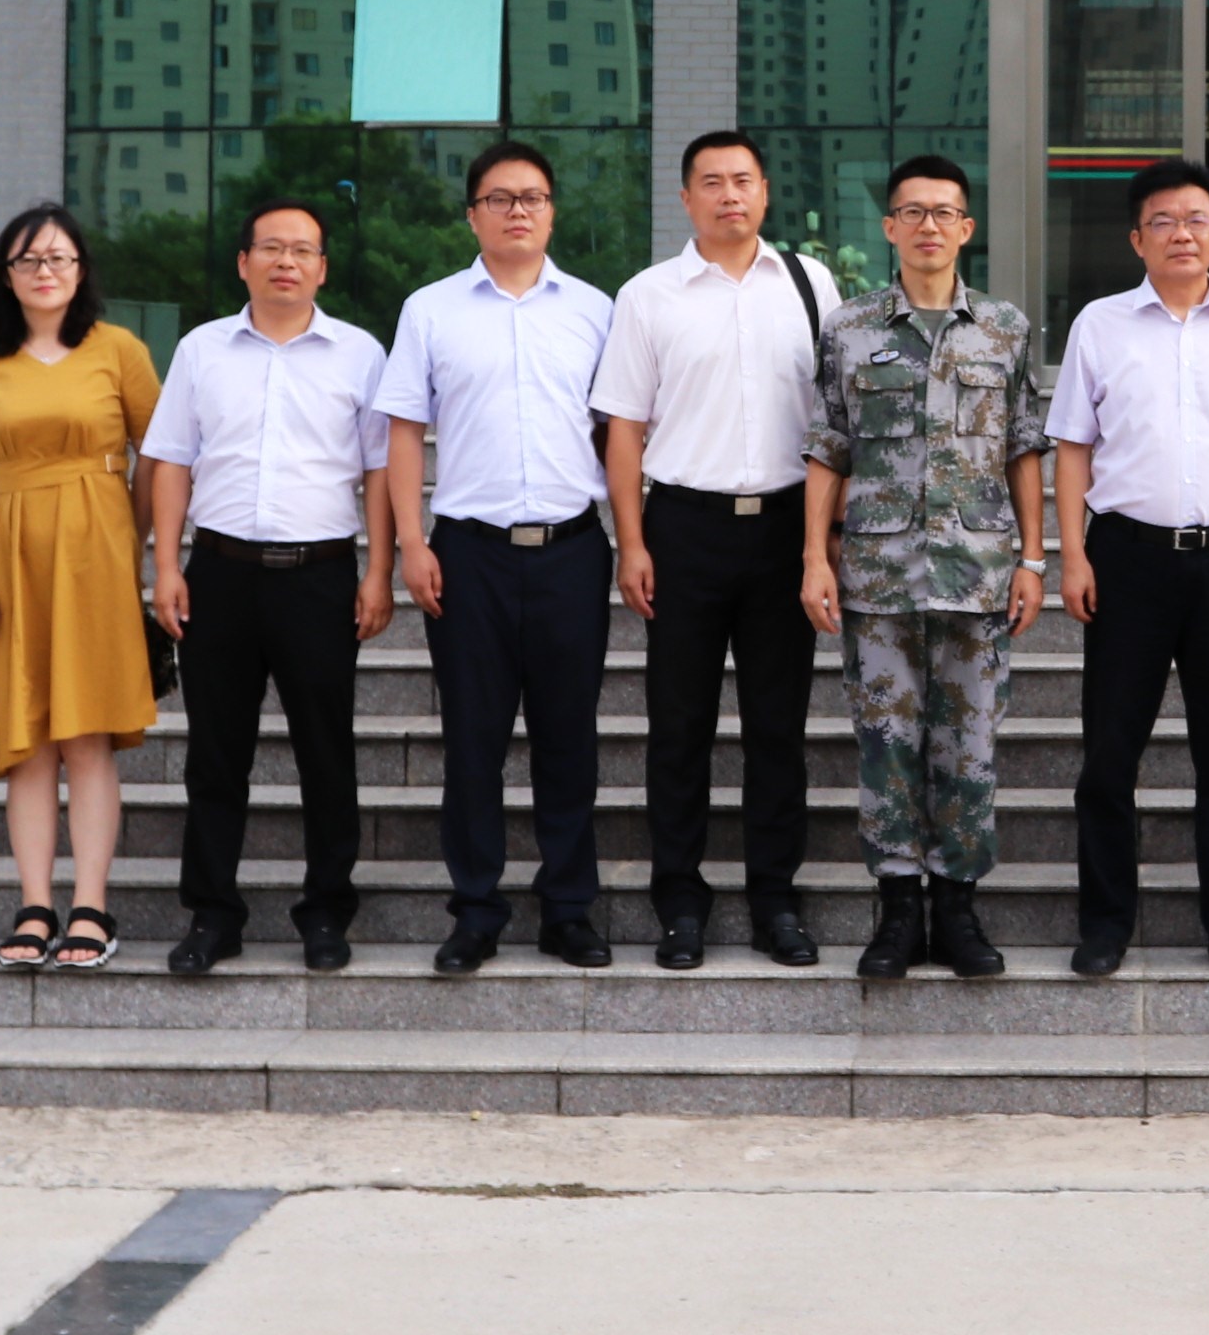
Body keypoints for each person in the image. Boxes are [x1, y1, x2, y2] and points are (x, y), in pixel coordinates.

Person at [595, 130, 843, 970]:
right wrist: (631, 542)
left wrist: (823, 541)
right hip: (684, 529)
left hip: (784, 529)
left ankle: (776, 899)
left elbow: (836, 424)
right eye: (711, 182)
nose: (729, 194)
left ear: (765, 192)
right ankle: (680, 902)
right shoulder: (648, 296)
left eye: (742, 180)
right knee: (679, 727)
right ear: (686, 199)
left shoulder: (811, 285)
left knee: (778, 727)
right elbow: (623, 429)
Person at [801, 156, 1052, 980]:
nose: (929, 226)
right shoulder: (850, 329)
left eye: (944, 212)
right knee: (887, 745)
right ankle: (898, 910)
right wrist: (814, 557)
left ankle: (959, 908)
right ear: (890, 227)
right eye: (912, 212)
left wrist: (1034, 557)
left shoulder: (1005, 329)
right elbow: (828, 446)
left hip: (977, 572)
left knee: (969, 746)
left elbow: (1023, 448)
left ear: (966, 228)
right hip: (878, 574)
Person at [1050, 156, 1209, 979]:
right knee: (1108, 756)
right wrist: (1073, 554)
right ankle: (1105, 924)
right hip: (1126, 561)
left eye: (1196, 219)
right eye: (1163, 221)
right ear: (1137, 239)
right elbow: (1073, 447)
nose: (1181, 234)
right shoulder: (1100, 326)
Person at [381, 137, 619, 974]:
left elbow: (619, 433)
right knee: (473, 741)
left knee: (568, 739)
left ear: (552, 212)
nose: (518, 210)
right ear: (472, 215)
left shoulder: (595, 309)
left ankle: (569, 910)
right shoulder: (430, 310)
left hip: (571, 551)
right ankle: (476, 911)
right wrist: (411, 542)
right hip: (468, 556)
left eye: (533, 198)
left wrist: (633, 538)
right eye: (500, 198)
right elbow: (403, 431)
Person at [145, 198, 394, 977]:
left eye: (303, 250)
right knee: (215, 757)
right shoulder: (201, 350)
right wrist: (165, 566)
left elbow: (381, 472)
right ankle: (213, 915)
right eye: (272, 248)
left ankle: (326, 913)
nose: (287, 262)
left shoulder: (360, 354)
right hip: (219, 574)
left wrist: (379, 571)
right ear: (244, 262)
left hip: (320, 578)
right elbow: (172, 460)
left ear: (322, 268)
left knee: (327, 752)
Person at [0, 204, 162, 973]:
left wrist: (133, 544)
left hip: (96, 556)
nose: (45, 270)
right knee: (29, 743)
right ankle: (36, 904)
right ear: (5, 276)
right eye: (28, 260)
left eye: (59, 257)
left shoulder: (119, 350)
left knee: (87, 738)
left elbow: (160, 455)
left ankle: (91, 907)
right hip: (9, 560)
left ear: (81, 270)